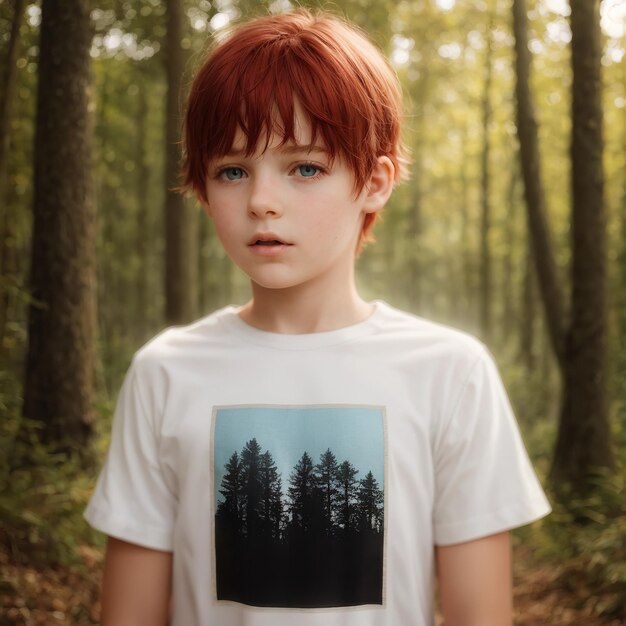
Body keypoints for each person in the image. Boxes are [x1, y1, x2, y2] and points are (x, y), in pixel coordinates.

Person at [85, 9, 550, 626]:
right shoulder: (165, 373)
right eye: (232, 170)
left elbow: (479, 613)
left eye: (305, 167)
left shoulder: (449, 372)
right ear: (201, 185)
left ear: (376, 181)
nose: (261, 202)